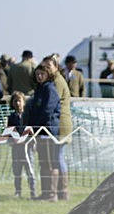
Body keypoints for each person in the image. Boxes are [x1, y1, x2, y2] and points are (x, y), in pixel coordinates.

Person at [26, 64, 61, 201]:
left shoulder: (50, 89)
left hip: (48, 131)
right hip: (39, 131)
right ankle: (45, 192)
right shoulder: (39, 89)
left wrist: (38, 125)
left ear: (47, 75)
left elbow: (47, 110)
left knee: (49, 162)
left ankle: (52, 194)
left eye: (42, 74)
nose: (39, 76)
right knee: (43, 162)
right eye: (37, 74)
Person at [42, 55, 72, 200]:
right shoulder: (54, 80)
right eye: (45, 66)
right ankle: (60, 190)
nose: (47, 69)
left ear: (56, 66)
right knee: (56, 157)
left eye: (49, 66)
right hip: (58, 123)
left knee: (58, 157)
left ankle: (63, 190)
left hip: (61, 124)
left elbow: (53, 102)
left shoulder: (57, 82)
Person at [7, 91, 36, 198]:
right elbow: (9, 131)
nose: (17, 103)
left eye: (19, 101)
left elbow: (32, 132)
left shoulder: (28, 116)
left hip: (27, 148)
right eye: (15, 101)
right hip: (16, 148)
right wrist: (11, 141)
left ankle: (33, 191)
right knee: (17, 170)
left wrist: (33, 144)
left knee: (30, 170)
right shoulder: (11, 117)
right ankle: (18, 191)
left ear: (24, 102)